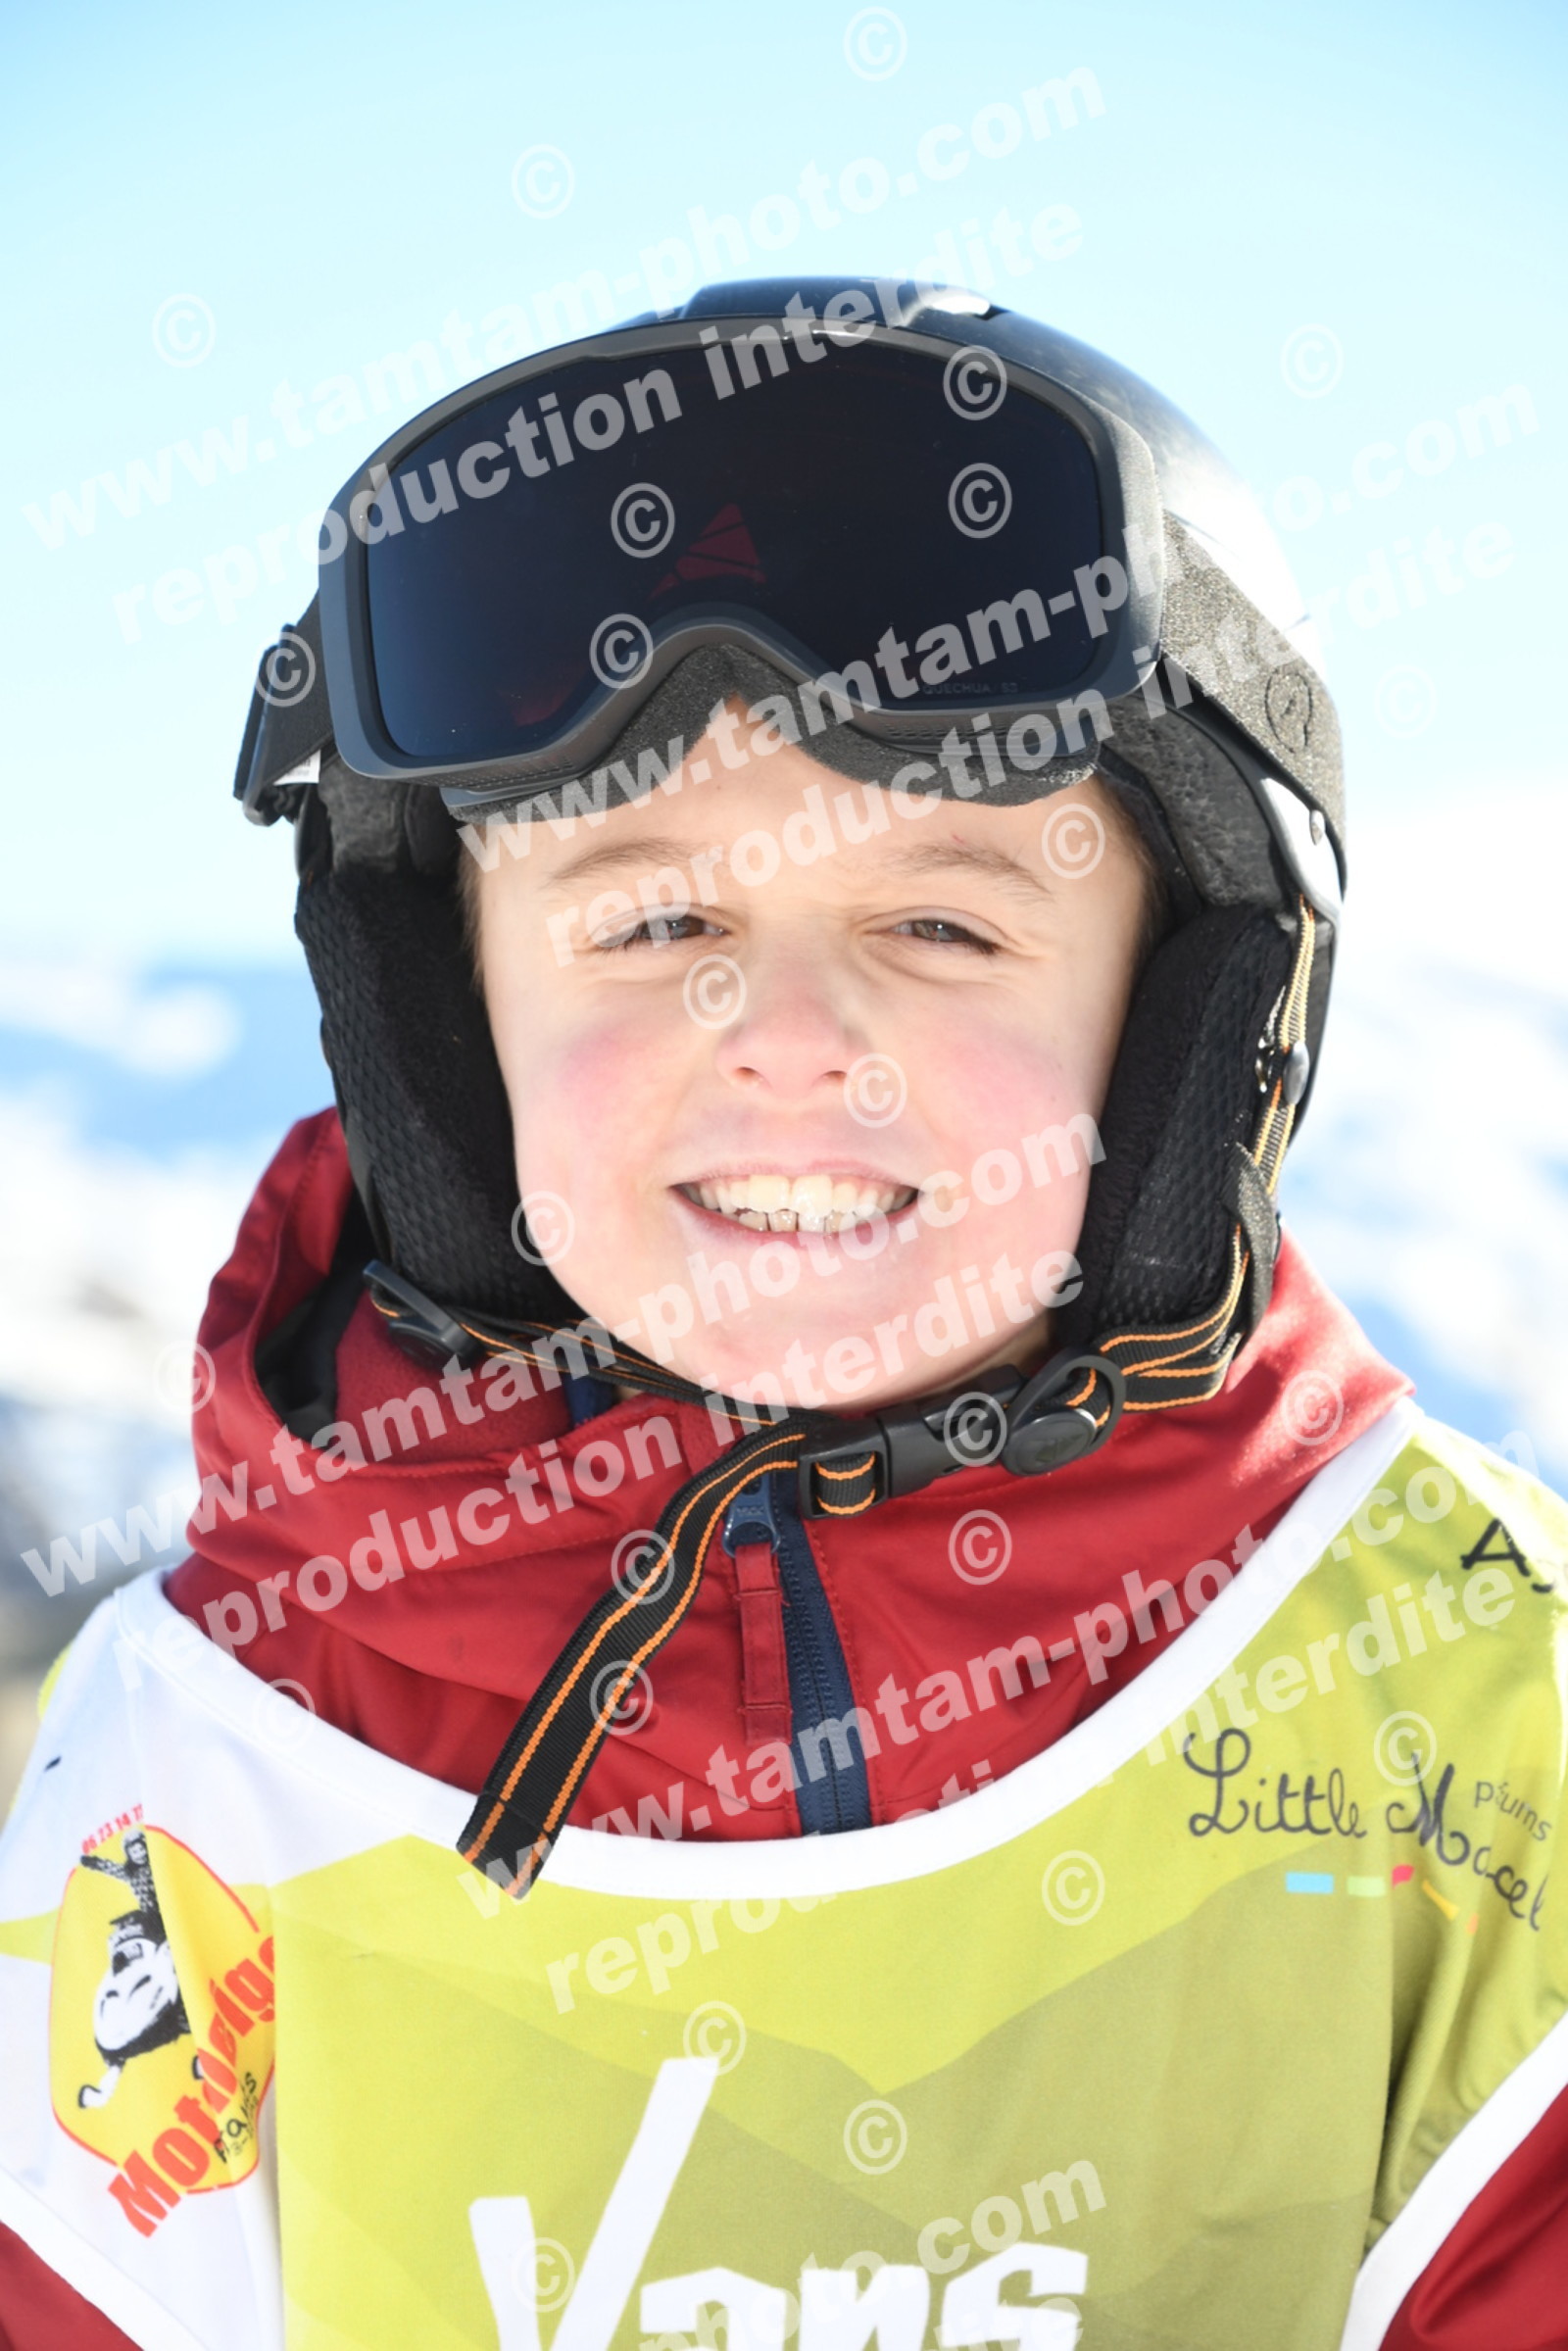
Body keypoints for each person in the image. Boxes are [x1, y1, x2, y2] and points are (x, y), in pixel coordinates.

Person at [0, 278, 1563, 2350]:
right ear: (444, 1025)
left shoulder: (1480, 1706)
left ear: (1190, 1024)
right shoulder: (217, 1744)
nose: (785, 1031)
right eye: (655, 918)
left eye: (941, 920)